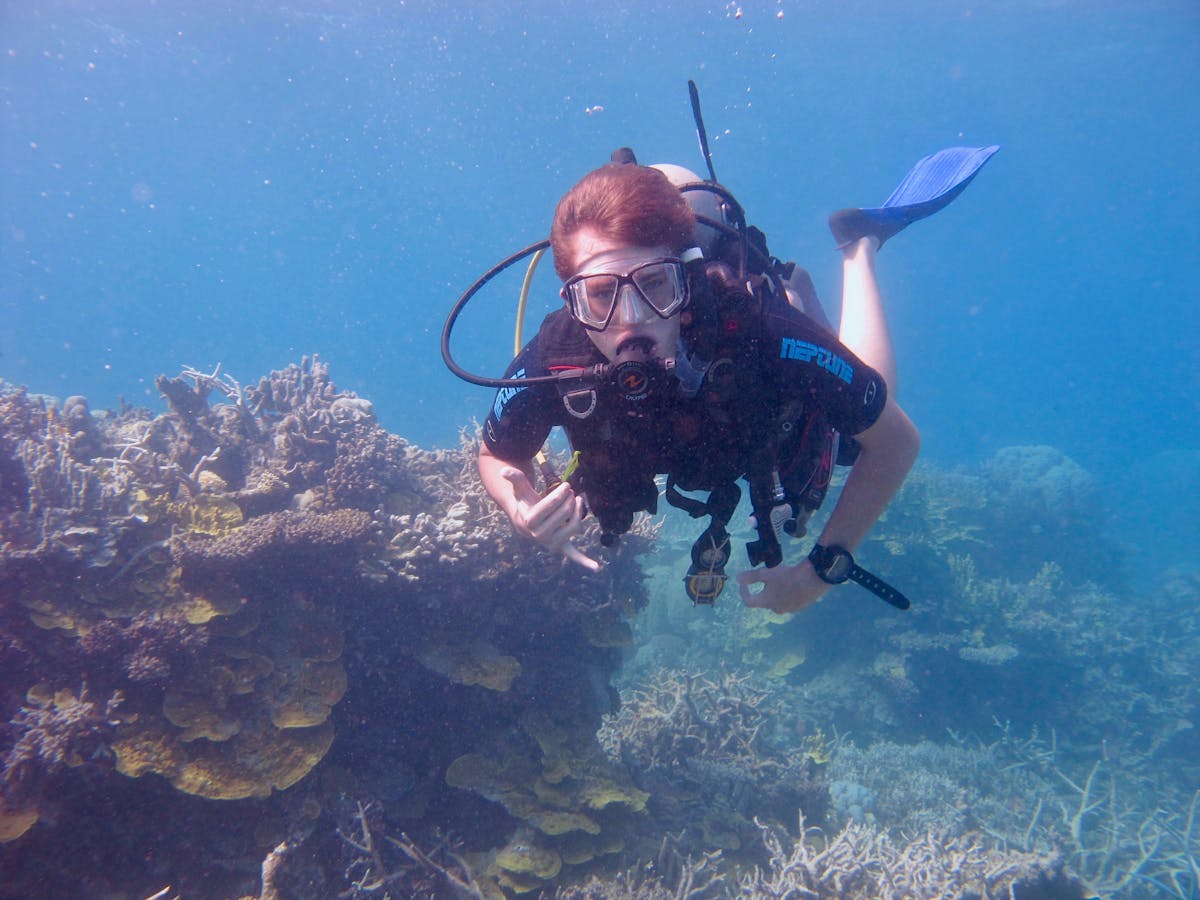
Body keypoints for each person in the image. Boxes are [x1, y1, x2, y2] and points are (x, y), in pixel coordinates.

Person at [475, 146, 995, 614]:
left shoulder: (759, 330)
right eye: (600, 295)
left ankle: (857, 247)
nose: (630, 319)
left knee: (860, 426)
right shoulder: (558, 351)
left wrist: (817, 574)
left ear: (688, 274)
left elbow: (895, 442)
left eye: (654, 284)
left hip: (766, 402)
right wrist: (518, 509)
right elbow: (497, 453)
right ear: (571, 299)